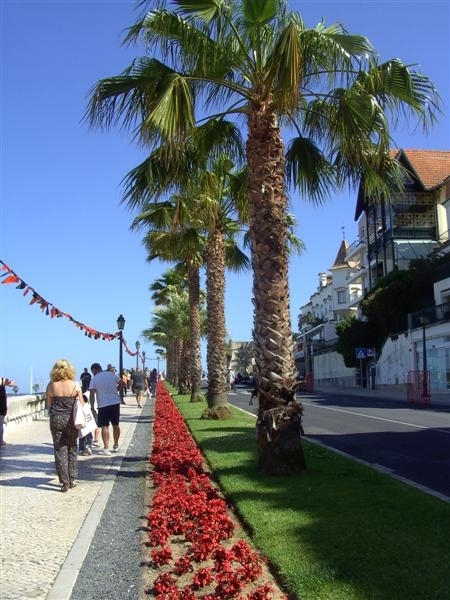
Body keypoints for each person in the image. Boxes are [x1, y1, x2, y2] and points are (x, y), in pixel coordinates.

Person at [46, 359, 84, 492]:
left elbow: (49, 405)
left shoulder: (51, 385)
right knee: (72, 447)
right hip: (71, 420)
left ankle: (64, 482)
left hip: (56, 419)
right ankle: (73, 478)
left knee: (59, 449)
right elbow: (81, 404)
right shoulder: (75, 385)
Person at [89, 362, 123, 455]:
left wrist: (92, 407)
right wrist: (116, 390)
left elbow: (92, 394)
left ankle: (106, 448)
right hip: (115, 402)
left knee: (105, 426)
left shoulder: (94, 379)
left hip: (103, 404)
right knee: (116, 424)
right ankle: (116, 445)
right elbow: (122, 383)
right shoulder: (111, 375)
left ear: (94, 370)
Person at [0, 376, 15, 447]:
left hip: (2, 409)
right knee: (0, 425)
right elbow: (11, 383)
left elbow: (10, 383)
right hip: (2, 409)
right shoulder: (2, 388)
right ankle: (0, 441)